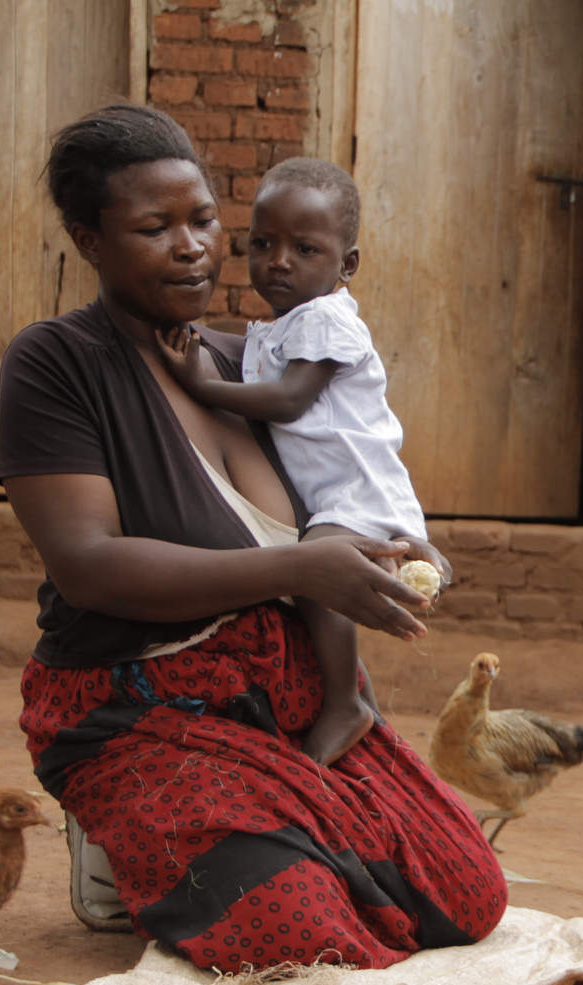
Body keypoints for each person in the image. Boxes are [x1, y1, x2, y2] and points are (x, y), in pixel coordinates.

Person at [0, 104, 506, 973]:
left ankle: (238, 845)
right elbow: (86, 566)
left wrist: (387, 552)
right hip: (141, 705)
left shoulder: (249, 365)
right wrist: (303, 563)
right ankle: (121, 834)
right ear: (89, 240)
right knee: (295, 937)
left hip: (286, 702)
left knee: (467, 891)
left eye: (201, 220)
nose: (192, 245)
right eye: (154, 228)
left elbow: (354, 464)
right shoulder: (57, 363)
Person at [154, 156, 441, 766]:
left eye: (304, 248)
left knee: (317, 571)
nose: (279, 261)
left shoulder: (325, 320)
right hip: (342, 489)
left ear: (347, 265)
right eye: (263, 243)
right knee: (317, 580)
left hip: (352, 492)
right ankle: (353, 693)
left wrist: (198, 384)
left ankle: (345, 701)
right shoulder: (286, 326)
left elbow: (287, 401)